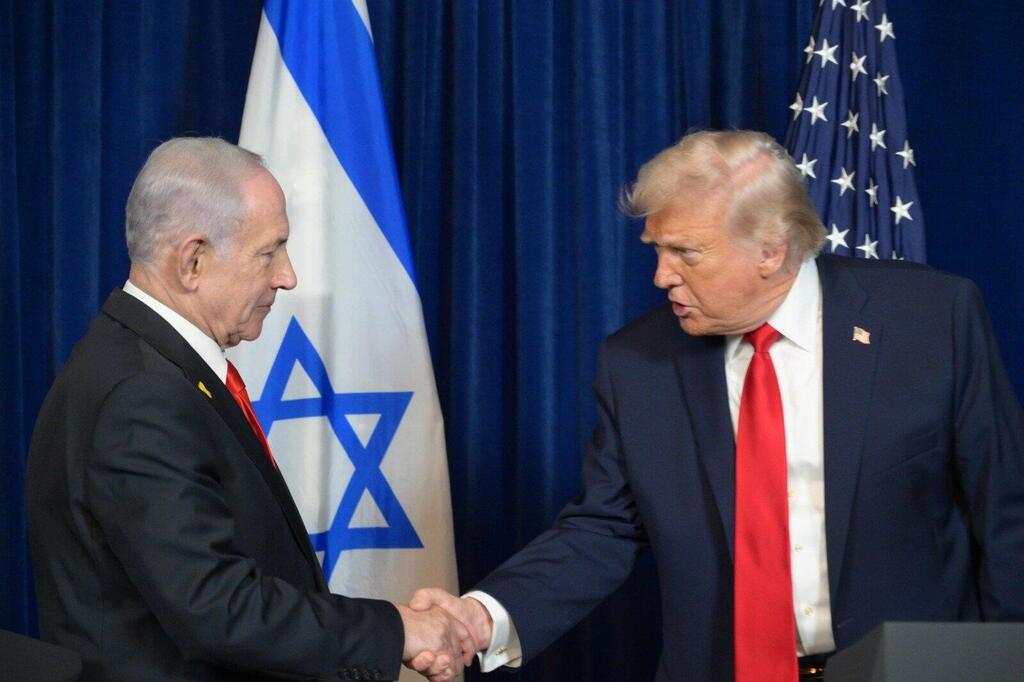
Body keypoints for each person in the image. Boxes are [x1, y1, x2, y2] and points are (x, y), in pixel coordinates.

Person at [410, 130, 1024, 681]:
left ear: (771, 250)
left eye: (686, 252)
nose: (661, 276)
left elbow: (1005, 515)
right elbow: (604, 527)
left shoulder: (930, 319)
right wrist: (482, 618)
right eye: (656, 249)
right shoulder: (637, 363)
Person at [26, 137, 472, 681]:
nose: (288, 275)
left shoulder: (147, 368)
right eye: (269, 251)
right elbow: (219, 609)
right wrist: (398, 630)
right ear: (193, 261)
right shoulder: (141, 396)